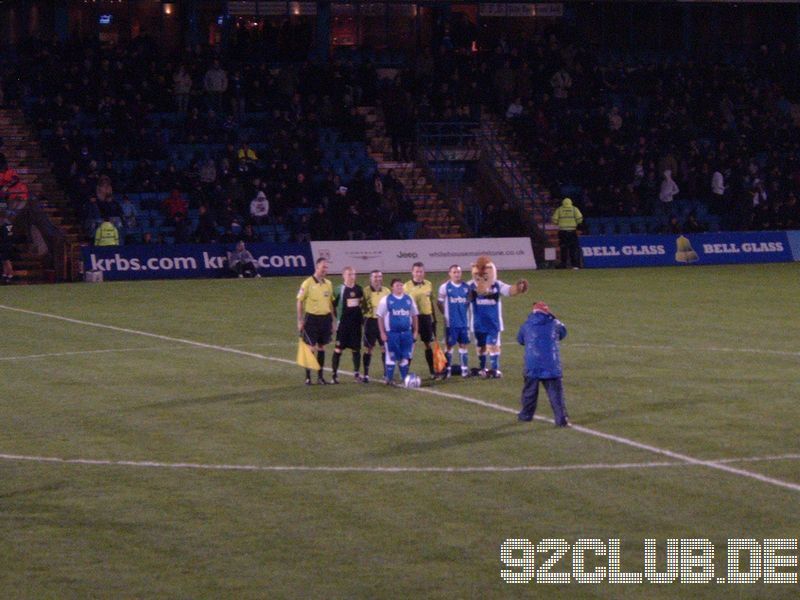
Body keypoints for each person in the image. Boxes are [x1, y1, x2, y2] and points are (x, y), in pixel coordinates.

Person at [516, 302, 571, 427]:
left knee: (530, 392)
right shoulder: (555, 323)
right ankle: (561, 420)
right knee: (556, 395)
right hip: (551, 365)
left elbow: (520, 340)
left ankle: (526, 415)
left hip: (532, 364)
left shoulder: (527, 324)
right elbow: (563, 333)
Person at [468, 272, 527, 379]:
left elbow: (509, 290)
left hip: (493, 323)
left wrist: (518, 288)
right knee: (481, 347)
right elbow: (462, 295)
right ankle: (482, 369)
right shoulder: (471, 285)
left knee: (493, 346)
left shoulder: (497, 284)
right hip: (478, 323)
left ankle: (495, 369)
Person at [296, 257, 335, 385]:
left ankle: (320, 377)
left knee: (322, 347)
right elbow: (300, 301)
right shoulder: (307, 283)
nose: (325, 270)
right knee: (310, 348)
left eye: (326, 267)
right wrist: (300, 320)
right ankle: (308, 377)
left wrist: (333, 321)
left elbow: (330, 303)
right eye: (323, 267)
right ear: (317, 267)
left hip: (325, 319)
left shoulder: (328, 284)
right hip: (311, 319)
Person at [376, 278, 419, 386]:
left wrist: (416, 330)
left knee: (405, 357)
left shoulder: (409, 299)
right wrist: (382, 332)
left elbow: (414, 315)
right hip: (392, 333)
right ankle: (389, 379)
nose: (399, 287)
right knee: (391, 357)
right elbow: (380, 316)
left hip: (406, 333)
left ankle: (405, 379)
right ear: (392, 287)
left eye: (401, 285)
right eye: (397, 286)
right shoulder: (386, 300)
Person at [331, 266, 365, 384]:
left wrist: (361, 321)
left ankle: (356, 374)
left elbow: (361, 306)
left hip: (355, 325)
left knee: (356, 349)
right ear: (343, 275)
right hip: (343, 325)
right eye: (349, 274)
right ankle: (334, 375)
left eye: (353, 274)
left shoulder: (359, 289)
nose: (352, 277)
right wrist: (335, 320)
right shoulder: (338, 289)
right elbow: (332, 305)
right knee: (338, 349)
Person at [437, 264, 471, 378]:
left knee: (463, 345)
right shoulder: (444, 287)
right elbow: (439, 303)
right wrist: (445, 314)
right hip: (450, 324)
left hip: (464, 323)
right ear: (450, 273)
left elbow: (468, 302)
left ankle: (465, 370)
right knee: (449, 346)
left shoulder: (466, 287)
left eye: (458, 272)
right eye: (454, 272)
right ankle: (448, 370)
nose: (457, 274)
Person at [404, 262, 437, 379]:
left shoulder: (429, 284)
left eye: (421, 271)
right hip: (412, 318)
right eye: (416, 271)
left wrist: (434, 319)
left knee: (428, 344)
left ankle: (432, 371)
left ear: (424, 272)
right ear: (412, 272)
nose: (419, 274)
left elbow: (431, 302)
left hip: (426, 318)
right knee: (410, 344)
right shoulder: (406, 286)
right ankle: (405, 371)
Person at [361, 269, 390, 383]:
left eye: (379, 277)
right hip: (370, 321)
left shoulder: (386, 291)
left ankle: (386, 373)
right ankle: (366, 374)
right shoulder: (366, 291)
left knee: (385, 348)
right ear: (370, 279)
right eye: (375, 277)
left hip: (383, 322)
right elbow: (361, 307)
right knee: (369, 348)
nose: (378, 279)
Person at [551, 197, 583, 270]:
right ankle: (575, 265)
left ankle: (563, 264)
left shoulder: (559, 209)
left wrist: (560, 223)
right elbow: (580, 219)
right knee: (573, 249)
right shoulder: (574, 209)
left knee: (563, 249)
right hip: (572, 232)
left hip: (563, 232)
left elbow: (554, 220)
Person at [0, 211, 15, 284]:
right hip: (6, 244)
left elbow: (5, 236)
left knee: (6, 260)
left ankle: (10, 275)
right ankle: (5, 274)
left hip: (6, 244)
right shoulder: (8, 224)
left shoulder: (5, 225)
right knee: (4, 260)